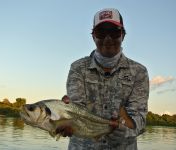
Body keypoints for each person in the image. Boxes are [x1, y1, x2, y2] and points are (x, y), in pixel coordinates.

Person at [56, 8, 149, 150]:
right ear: (93, 36)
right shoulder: (77, 68)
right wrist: (67, 116)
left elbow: (139, 119)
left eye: (114, 32)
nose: (108, 38)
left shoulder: (139, 72)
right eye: (101, 33)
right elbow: (77, 108)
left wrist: (124, 128)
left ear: (123, 35)